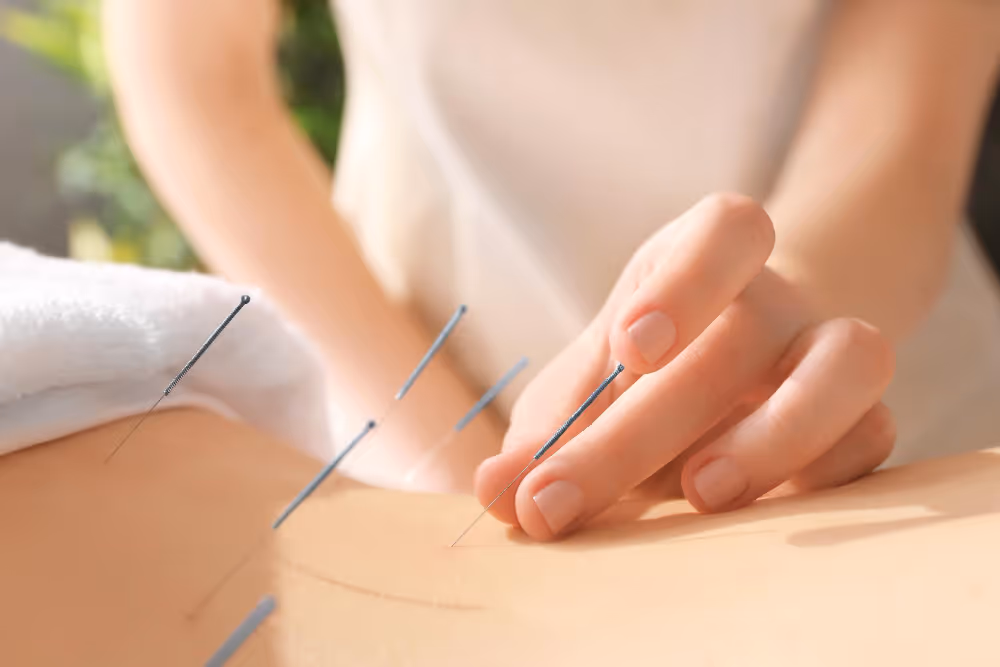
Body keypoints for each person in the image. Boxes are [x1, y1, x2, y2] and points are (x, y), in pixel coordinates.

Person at [103, 0, 1000, 541]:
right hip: (419, 403)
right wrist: (451, 473)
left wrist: (786, 305)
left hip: (875, 403)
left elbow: (912, 98)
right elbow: (195, 80)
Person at [4, 406, 999, 665]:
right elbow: (195, 92)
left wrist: (769, 319)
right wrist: (455, 443)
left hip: (818, 434)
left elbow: (903, 131)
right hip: (410, 356)